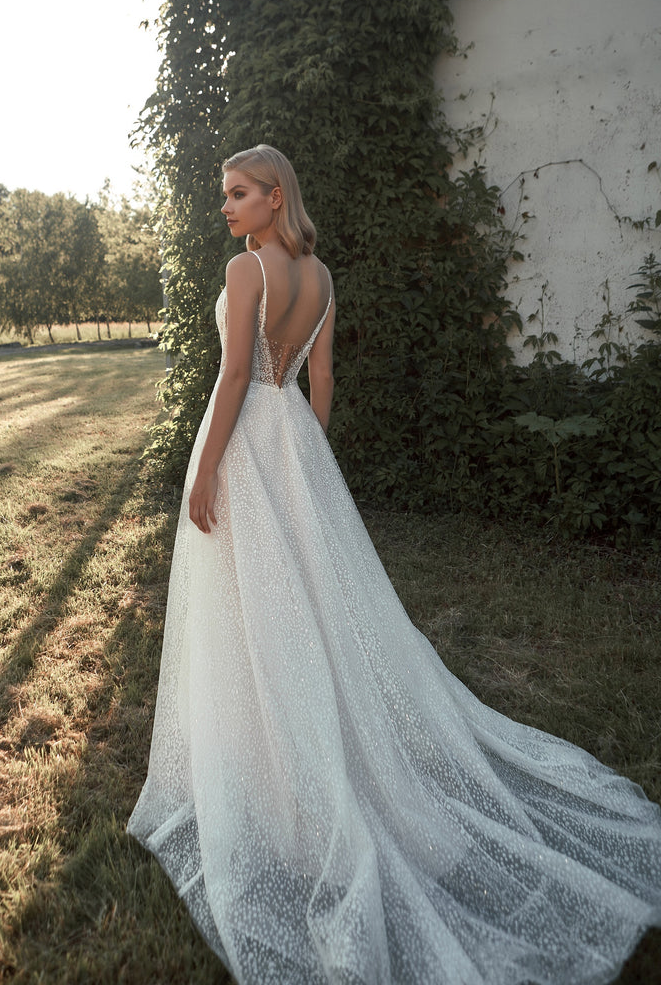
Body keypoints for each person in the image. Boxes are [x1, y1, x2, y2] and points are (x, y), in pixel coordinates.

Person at [127, 145, 661, 984]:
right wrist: (307, 457)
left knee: (254, 607)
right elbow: (323, 377)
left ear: (274, 198)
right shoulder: (325, 278)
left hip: (243, 441)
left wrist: (205, 469)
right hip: (295, 438)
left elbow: (234, 372)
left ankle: (271, 777)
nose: (225, 208)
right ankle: (285, 753)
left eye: (238, 194)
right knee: (305, 602)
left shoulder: (246, 271)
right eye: (224, 196)